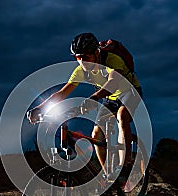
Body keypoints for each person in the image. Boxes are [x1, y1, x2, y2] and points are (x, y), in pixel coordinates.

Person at [27, 32, 143, 180]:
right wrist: (40, 108)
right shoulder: (81, 71)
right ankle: (108, 175)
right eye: (78, 57)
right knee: (96, 135)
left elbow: (114, 82)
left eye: (86, 57)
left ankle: (125, 165)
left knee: (122, 116)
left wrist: (94, 98)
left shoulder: (112, 60)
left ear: (96, 53)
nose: (82, 61)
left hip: (129, 92)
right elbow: (62, 93)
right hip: (108, 97)